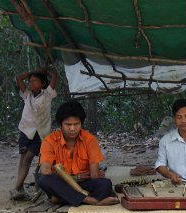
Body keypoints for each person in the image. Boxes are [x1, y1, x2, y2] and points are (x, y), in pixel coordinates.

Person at [38, 101, 119, 206]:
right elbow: (45, 171)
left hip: (83, 183)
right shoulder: (49, 141)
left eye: (76, 124)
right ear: (60, 125)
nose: (72, 129)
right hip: (62, 184)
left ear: (81, 123)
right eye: (68, 124)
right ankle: (91, 201)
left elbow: (94, 175)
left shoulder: (90, 140)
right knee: (44, 180)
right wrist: (68, 177)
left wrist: (92, 179)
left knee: (105, 184)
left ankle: (61, 199)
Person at [10, 67, 58, 200]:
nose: (31, 83)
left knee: (27, 159)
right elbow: (19, 78)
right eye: (30, 81)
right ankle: (19, 189)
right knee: (22, 159)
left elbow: (55, 77)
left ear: (42, 84)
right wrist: (32, 72)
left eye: (35, 81)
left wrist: (45, 71)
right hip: (25, 131)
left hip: (40, 134)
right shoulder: (27, 94)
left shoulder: (47, 94)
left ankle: (16, 188)